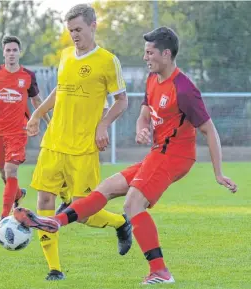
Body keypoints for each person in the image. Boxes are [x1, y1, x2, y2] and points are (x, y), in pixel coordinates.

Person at [14, 26, 238, 285]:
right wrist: (142, 128)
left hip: (175, 158)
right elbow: (144, 112)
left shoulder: (184, 89)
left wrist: (218, 173)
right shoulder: (153, 79)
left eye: (150, 53)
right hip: (157, 154)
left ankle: (160, 271)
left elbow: (209, 130)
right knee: (107, 187)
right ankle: (53, 221)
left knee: (132, 204)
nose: (145, 58)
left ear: (166, 54)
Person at [23, 4, 132, 281]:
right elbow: (60, 91)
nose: (74, 35)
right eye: (70, 31)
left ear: (93, 25)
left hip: (83, 148)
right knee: (44, 199)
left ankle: (121, 222)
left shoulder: (108, 61)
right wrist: (36, 114)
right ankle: (54, 269)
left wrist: (103, 125)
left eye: (79, 30)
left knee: (82, 213)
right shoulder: (65, 55)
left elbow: (122, 100)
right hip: (54, 143)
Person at [0, 35, 49, 225]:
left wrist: (49, 122)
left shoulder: (27, 76)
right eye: (8, 50)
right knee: (3, 174)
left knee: (11, 171)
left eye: (15, 50)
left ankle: (4, 216)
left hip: (18, 131)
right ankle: (18, 194)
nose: (11, 53)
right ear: (3, 52)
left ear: (19, 52)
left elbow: (37, 101)